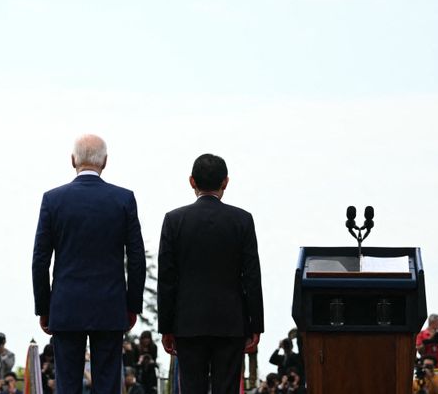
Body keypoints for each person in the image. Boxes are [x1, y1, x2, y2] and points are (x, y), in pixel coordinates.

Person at [32, 134, 146, 394]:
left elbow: (40, 260)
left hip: (66, 304)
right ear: (105, 161)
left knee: (67, 384)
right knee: (107, 384)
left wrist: (44, 306)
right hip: (109, 304)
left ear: (73, 160)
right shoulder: (124, 199)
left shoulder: (53, 200)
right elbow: (136, 258)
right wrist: (132, 305)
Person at [157, 153, 264, 394]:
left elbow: (167, 278)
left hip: (188, 322)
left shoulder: (174, 220)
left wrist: (166, 326)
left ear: (192, 181)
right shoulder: (242, 220)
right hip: (230, 321)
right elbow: (251, 276)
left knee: (192, 388)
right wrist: (255, 323)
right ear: (225, 182)